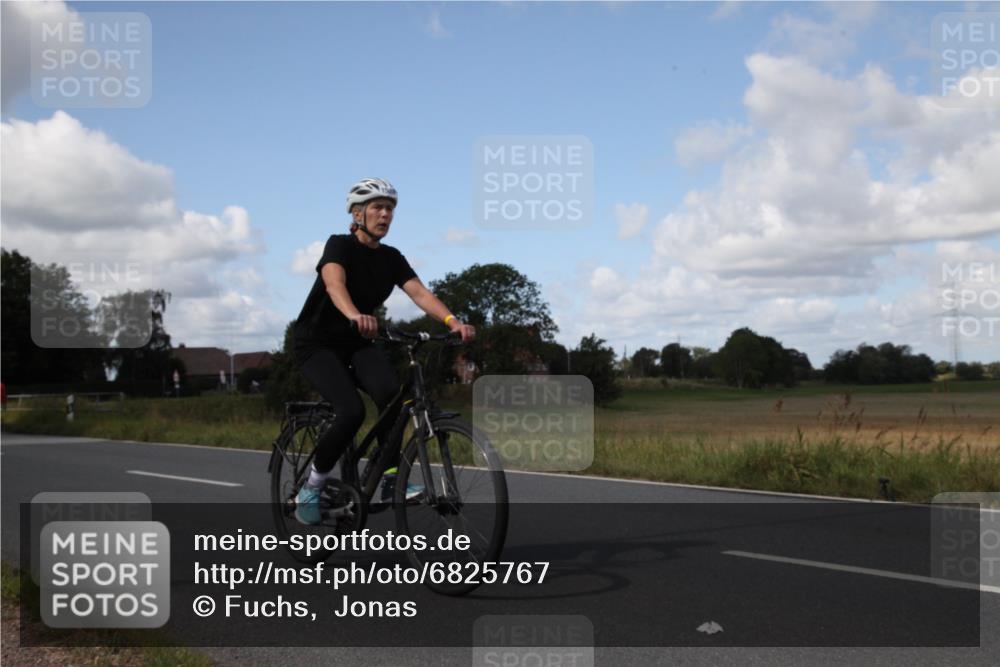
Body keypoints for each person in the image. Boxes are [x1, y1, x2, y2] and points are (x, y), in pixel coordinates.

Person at [291, 177, 475, 525]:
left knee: (393, 397)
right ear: (358, 214)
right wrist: (354, 315)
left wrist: (452, 320)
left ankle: (390, 478)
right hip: (316, 343)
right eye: (377, 207)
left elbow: (419, 293)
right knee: (350, 411)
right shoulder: (339, 246)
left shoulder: (391, 258)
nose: (385, 214)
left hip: (357, 342)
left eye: (390, 208)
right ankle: (312, 487)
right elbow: (334, 283)